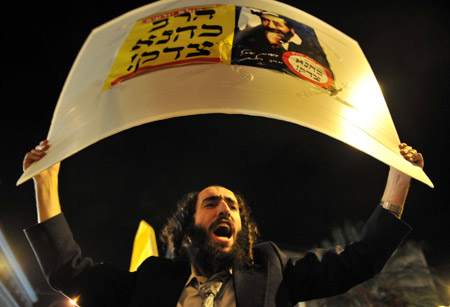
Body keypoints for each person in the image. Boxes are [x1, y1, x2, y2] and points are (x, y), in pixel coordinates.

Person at [23, 140, 423, 306]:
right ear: (189, 225)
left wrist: (399, 178)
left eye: (232, 205)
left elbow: (362, 259)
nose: (226, 210)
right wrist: (45, 181)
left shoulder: (274, 269)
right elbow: (69, 272)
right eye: (212, 203)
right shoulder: (150, 278)